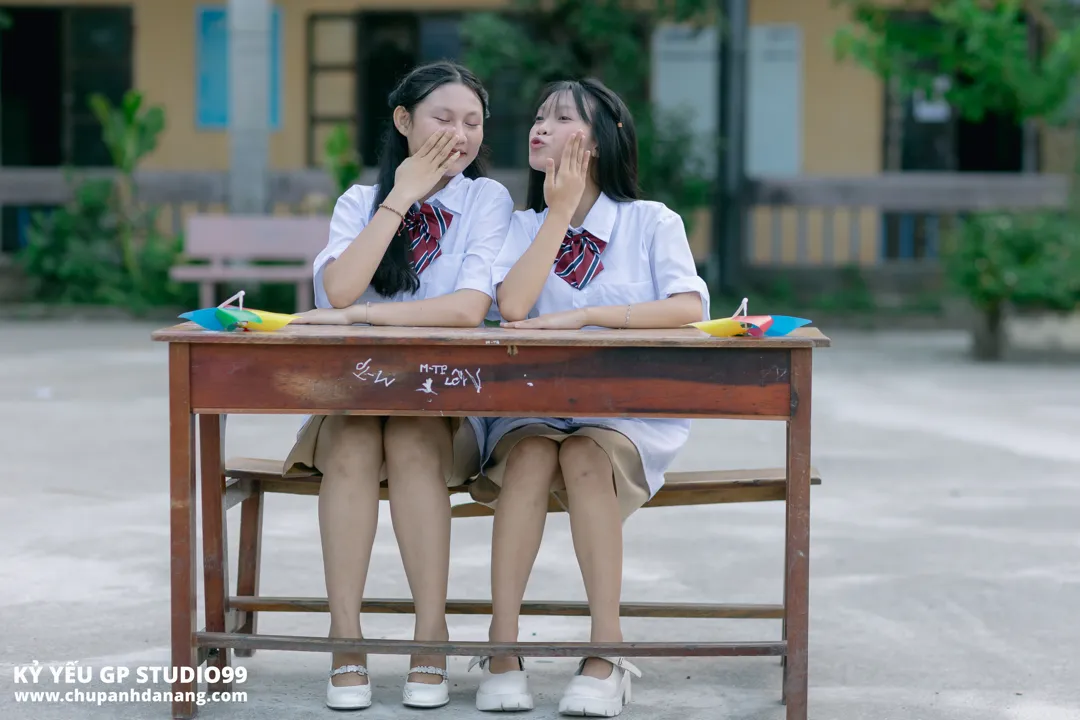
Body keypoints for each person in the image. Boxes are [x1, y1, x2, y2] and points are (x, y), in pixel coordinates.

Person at [469, 78, 710, 717]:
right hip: (531, 408)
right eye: (538, 116)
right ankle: (501, 648)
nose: (540, 127)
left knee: (583, 455)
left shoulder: (650, 221)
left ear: (599, 141)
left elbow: (688, 306)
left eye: (561, 118)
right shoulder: (521, 225)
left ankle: (607, 651)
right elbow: (513, 306)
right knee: (529, 457)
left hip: (625, 415)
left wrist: (584, 317)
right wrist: (558, 213)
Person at [284, 60, 514, 711]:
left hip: (446, 402)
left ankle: (429, 636)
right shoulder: (358, 203)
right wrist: (400, 196)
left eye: (472, 122)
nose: (460, 134)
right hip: (356, 396)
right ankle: (345, 638)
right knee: (355, 444)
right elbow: (337, 289)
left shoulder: (486, 201)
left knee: (412, 439)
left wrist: (361, 317)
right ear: (404, 120)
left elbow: (469, 307)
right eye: (444, 118)